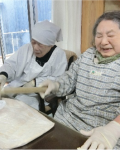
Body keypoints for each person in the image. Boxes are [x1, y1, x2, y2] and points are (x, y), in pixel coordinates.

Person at [39, 11, 120, 150]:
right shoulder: (88, 55)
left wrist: (115, 127)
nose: (103, 41)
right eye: (99, 36)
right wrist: (56, 85)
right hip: (66, 120)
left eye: (110, 36)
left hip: (101, 132)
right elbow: (70, 78)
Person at [0, 20, 68, 110]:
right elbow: (12, 64)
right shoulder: (27, 48)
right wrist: (3, 75)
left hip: (36, 94)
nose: (35, 47)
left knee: (17, 109)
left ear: (50, 45)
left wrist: (35, 83)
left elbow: (59, 79)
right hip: (16, 87)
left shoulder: (59, 55)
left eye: (40, 44)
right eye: (33, 42)